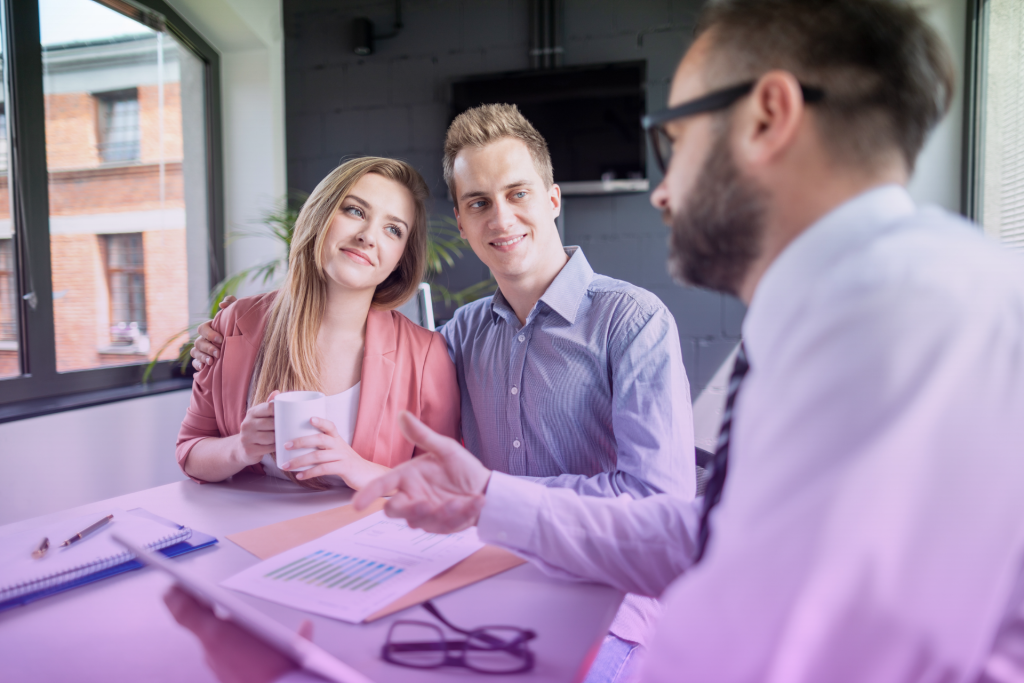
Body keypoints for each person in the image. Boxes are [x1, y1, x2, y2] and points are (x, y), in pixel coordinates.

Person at [166, 0, 1024, 680]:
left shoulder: (908, 313)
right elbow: (710, 538)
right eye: (474, 203)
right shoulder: (833, 307)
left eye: (673, 141)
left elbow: (794, 635)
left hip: (597, 613)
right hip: (505, 581)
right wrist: (482, 498)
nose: (660, 190)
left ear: (768, 116)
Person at [192, 105, 696, 676]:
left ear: (552, 199)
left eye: (518, 193)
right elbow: (374, 361)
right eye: (479, 202)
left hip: (605, 598)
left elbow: (660, 502)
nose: (501, 218)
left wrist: (490, 498)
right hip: (478, 580)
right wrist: (220, 342)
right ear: (460, 221)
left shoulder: (632, 321)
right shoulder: (459, 335)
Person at [175, 157, 459, 491]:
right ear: (321, 214)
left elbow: (448, 479)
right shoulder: (236, 324)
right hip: (257, 538)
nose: (369, 236)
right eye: (355, 211)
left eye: (393, 229)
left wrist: (360, 469)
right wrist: (240, 448)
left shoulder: (426, 355)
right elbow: (190, 451)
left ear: (401, 258)